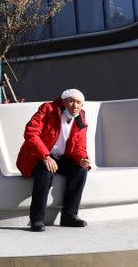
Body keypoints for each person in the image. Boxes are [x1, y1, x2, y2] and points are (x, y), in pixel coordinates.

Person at [16, 88, 91, 232]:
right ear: (63, 102)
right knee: (46, 170)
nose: (75, 106)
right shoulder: (48, 109)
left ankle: (69, 216)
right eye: (71, 102)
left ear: (82, 106)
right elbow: (31, 132)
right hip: (36, 156)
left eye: (79, 103)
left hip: (60, 158)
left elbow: (79, 145)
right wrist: (45, 156)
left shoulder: (80, 119)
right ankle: (37, 219)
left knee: (81, 170)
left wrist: (82, 159)